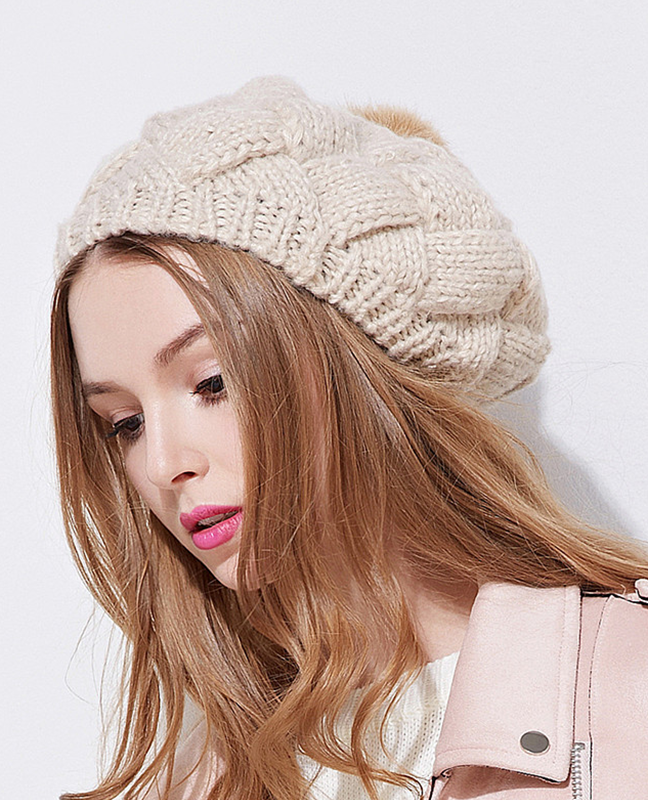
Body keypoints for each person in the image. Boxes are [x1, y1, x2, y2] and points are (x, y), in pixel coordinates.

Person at [51, 76, 648, 800]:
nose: (163, 464)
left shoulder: (624, 684)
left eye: (213, 383)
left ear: (361, 367)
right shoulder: (201, 775)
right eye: (125, 423)